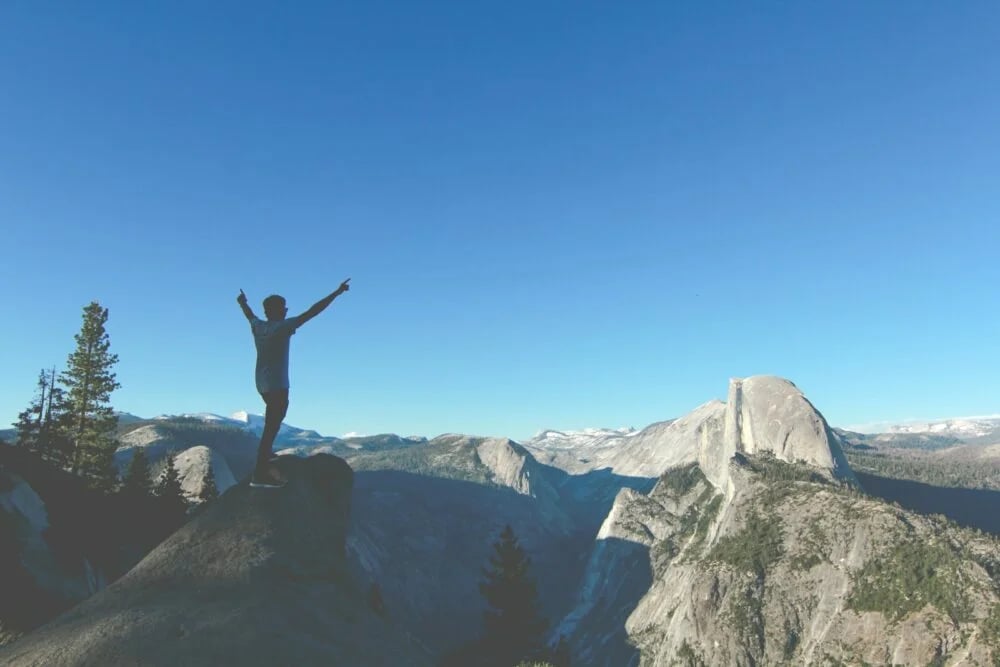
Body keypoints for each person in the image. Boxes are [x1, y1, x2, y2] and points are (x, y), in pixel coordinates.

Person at [237, 279, 351, 487]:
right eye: (284, 307)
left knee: (273, 419)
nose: (287, 310)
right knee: (272, 424)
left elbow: (249, 315)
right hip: (277, 383)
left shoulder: (258, 326)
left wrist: (242, 302)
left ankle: (266, 455)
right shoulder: (283, 327)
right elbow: (313, 312)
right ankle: (260, 474)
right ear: (277, 310)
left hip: (261, 382)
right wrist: (336, 293)